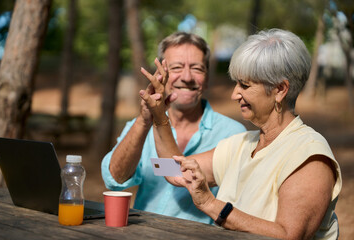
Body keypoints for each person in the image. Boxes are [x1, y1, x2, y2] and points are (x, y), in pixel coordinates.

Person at [139, 28, 342, 239]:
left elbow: (288, 235)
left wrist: (210, 204)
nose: (234, 94)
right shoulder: (240, 145)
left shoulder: (309, 156)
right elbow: (172, 171)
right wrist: (160, 115)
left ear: (280, 90)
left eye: (244, 85)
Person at [101, 32, 246, 224]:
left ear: (207, 78)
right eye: (176, 67)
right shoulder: (140, 126)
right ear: (159, 76)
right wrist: (144, 121)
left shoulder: (234, 134)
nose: (187, 77)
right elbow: (114, 181)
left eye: (197, 68)